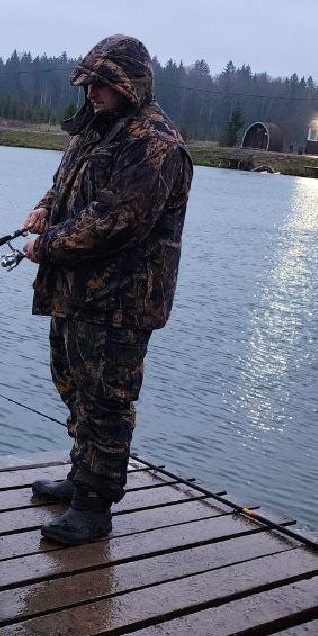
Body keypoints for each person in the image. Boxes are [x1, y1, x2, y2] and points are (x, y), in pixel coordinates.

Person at [21, 34, 193, 545]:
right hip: (76, 292)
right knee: (71, 384)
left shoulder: (155, 143)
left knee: (107, 400)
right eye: (88, 84)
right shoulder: (97, 128)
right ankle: (81, 478)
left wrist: (46, 246)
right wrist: (44, 209)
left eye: (101, 85)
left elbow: (114, 220)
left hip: (121, 301)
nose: (91, 93)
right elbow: (67, 184)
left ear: (128, 85)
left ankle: (94, 508)